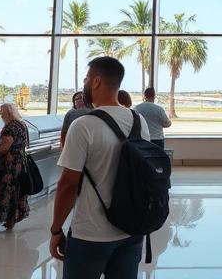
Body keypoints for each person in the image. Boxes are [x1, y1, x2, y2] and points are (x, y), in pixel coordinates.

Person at [49, 57, 148, 278]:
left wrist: (56, 230)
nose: (84, 84)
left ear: (95, 82)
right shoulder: (139, 121)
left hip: (90, 234)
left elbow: (68, 185)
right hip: (130, 230)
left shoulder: (83, 125)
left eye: (86, 79)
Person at [0, 103, 29, 232]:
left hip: (7, 166)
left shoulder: (10, 128)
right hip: (19, 163)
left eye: (1, 112)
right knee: (15, 191)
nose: (0, 114)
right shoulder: (22, 125)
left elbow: (3, 149)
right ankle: (11, 220)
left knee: (1, 191)